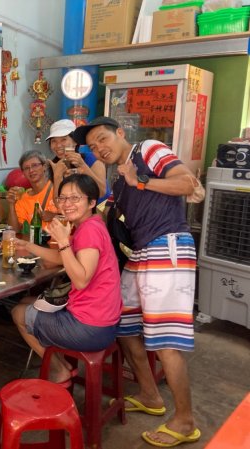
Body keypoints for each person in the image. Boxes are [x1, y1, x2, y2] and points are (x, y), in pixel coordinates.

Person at [73, 116, 201, 447]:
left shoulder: (149, 150)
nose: (100, 148)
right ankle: (150, 395)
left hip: (168, 246)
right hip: (141, 253)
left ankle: (186, 421)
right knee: (124, 324)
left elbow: (188, 184)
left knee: (165, 341)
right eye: (93, 146)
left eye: (103, 139)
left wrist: (140, 180)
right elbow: (107, 213)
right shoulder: (120, 179)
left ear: (120, 133)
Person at [11, 174, 121, 385]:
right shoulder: (91, 224)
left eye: (75, 198)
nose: (67, 204)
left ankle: (59, 369)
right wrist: (29, 246)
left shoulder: (88, 231)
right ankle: (61, 362)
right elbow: (65, 258)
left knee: (18, 313)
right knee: (27, 302)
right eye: (62, 198)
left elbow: (80, 280)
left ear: (91, 202)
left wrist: (62, 240)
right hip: (102, 318)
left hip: (91, 327)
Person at [46, 119, 107, 200]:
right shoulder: (53, 166)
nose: (58, 145)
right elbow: (58, 202)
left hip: (100, 210)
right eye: (54, 141)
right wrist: (57, 176)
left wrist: (83, 166)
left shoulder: (91, 158)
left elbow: (102, 192)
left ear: (75, 141)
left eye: (63, 139)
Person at [6, 150, 59, 233]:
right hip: (35, 244)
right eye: (26, 168)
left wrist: (54, 216)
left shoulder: (57, 188)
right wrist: (11, 204)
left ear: (44, 166)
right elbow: (14, 231)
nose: (31, 170)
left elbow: (78, 217)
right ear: (23, 173)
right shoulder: (22, 199)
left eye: (35, 165)